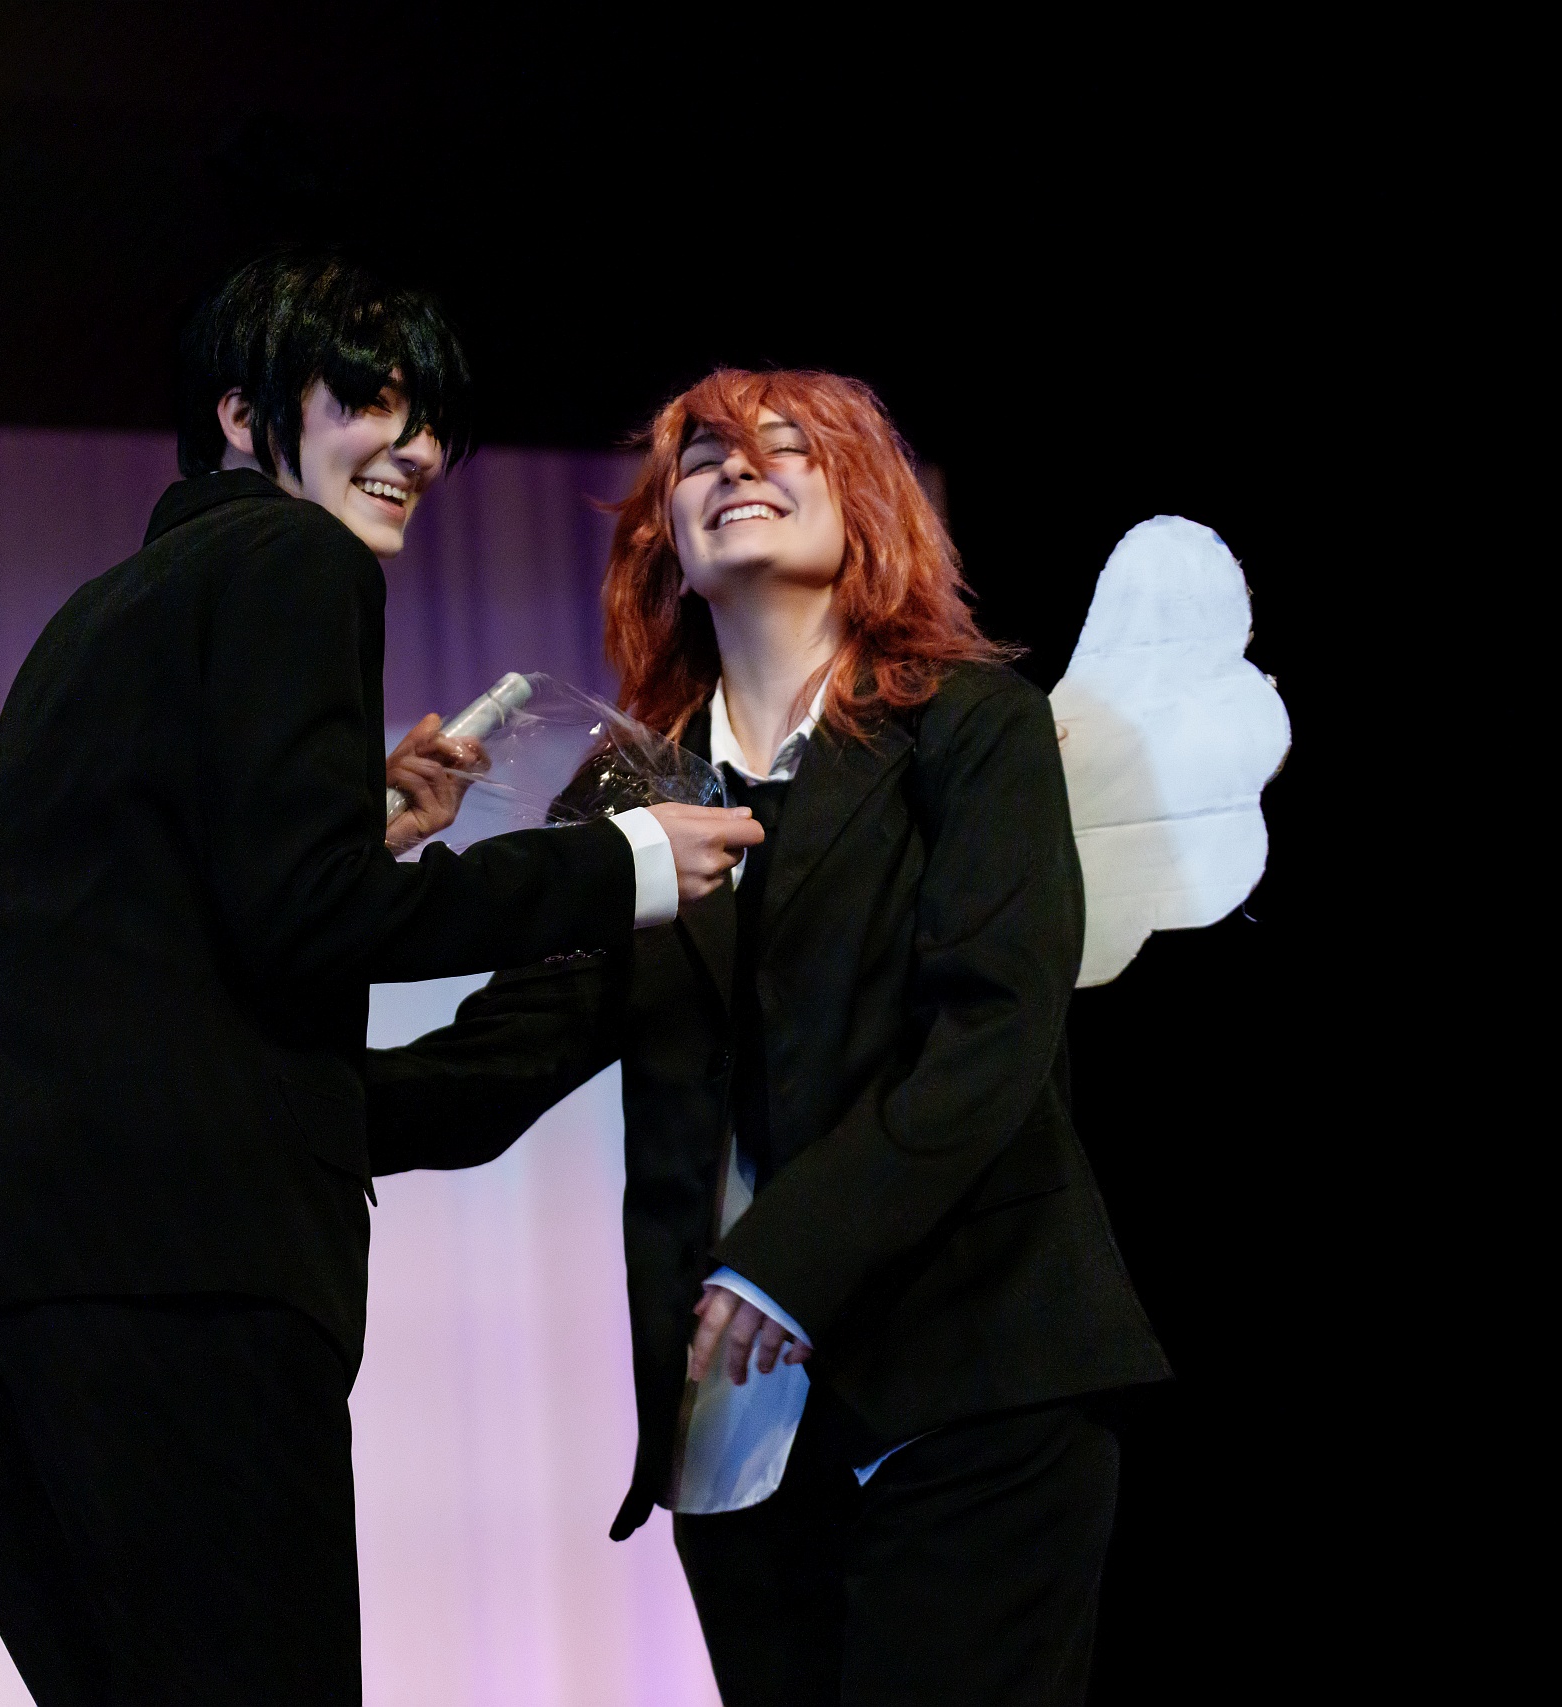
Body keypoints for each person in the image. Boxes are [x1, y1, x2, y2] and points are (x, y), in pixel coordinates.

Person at [0, 250, 762, 1706]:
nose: (415, 450)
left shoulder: (94, 618)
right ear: (243, 415)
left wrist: (352, 822)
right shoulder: (298, 562)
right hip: (179, 1281)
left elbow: (166, 918)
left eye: (432, 423)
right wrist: (622, 865)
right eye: (367, 402)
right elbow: (305, 915)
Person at [364, 368, 1171, 1705]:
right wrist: (256, 1091)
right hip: (739, 1439)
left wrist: (782, 1262)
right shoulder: (633, 790)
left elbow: (989, 1034)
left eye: (785, 448)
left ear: (865, 502)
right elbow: (502, 1058)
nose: (738, 471)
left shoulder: (970, 725)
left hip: (976, 1377)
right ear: (664, 543)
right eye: (702, 461)